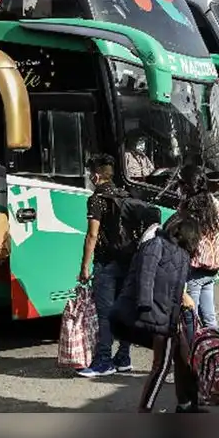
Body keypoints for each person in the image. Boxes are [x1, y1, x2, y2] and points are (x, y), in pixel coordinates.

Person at [111, 210, 202, 413]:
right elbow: (145, 277)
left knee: (184, 359)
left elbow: (176, 288)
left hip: (169, 317)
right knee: (162, 365)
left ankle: (186, 404)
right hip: (156, 317)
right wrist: (146, 309)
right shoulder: (156, 245)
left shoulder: (181, 255)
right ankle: (145, 410)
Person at [77, 154, 133, 378]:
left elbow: (92, 235)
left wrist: (84, 266)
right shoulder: (124, 195)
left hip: (106, 262)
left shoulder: (97, 199)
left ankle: (103, 361)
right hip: (127, 261)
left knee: (105, 315)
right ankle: (124, 357)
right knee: (124, 312)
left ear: (96, 175)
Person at [178, 163, 219, 331]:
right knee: (209, 315)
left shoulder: (188, 207)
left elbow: (187, 238)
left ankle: (191, 350)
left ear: (186, 185)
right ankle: (216, 348)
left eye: (180, 184)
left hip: (197, 267)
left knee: (191, 314)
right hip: (212, 266)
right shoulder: (213, 202)